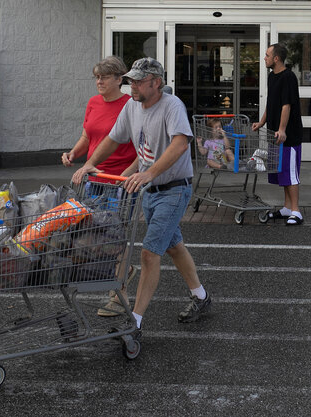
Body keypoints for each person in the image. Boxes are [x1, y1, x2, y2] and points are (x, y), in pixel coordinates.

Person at [73, 57, 211, 332]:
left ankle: (134, 321)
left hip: (173, 189)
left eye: (138, 81)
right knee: (172, 245)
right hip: (148, 192)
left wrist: (149, 173)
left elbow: (181, 144)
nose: (132, 86)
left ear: (156, 82)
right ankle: (201, 297)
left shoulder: (171, 106)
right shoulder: (132, 107)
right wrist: (91, 163)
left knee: (149, 254)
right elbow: (114, 138)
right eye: (131, 80)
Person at [61, 56, 139, 317]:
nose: (99, 81)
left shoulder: (131, 105)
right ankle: (121, 273)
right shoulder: (93, 103)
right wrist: (73, 154)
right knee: (94, 236)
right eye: (97, 77)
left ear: (120, 79)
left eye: (105, 76)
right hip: (93, 181)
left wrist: (129, 176)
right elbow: (87, 135)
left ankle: (119, 295)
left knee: (117, 237)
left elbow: (144, 146)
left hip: (119, 182)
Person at [251, 43, 304, 225]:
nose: (264, 58)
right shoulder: (271, 76)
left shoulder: (288, 77)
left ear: (276, 58)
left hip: (288, 136)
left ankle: (296, 211)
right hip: (274, 134)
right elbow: (271, 102)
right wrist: (262, 121)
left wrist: (282, 129)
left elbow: (286, 105)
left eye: (267, 55)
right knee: (282, 173)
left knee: (290, 174)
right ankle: (287, 207)